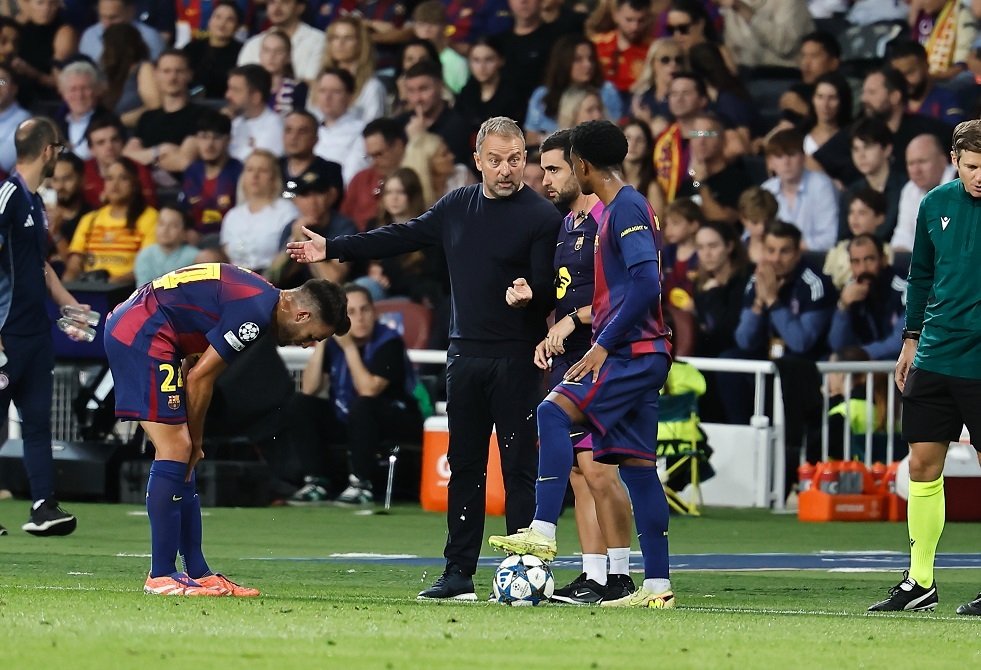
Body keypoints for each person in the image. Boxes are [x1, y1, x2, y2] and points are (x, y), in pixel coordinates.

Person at [287, 116, 562, 601]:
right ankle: (458, 574)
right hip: (464, 355)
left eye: (515, 159)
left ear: (527, 159)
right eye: (495, 160)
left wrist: (531, 296)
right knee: (465, 465)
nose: (506, 170)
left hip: (516, 358)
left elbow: (549, 290)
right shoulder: (457, 205)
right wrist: (333, 247)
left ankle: (525, 571)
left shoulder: (542, 217)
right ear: (477, 161)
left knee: (518, 466)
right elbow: (400, 235)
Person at [488, 119, 675, 609]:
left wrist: (603, 343)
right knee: (638, 469)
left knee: (552, 412)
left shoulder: (624, 208)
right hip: (641, 351)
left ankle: (542, 530)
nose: (555, 176)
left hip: (632, 352)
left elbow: (646, 284)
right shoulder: (618, 210)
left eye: (565, 166)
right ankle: (657, 586)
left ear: (583, 166)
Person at [104, 262, 349, 596]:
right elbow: (200, 379)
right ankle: (161, 575)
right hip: (142, 332)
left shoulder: (260, 297)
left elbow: (193, 347)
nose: (307, 345)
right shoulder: (256, 314)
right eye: (312, 337)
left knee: (182, 454)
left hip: (150, 327)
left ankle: (198, 572)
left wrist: (193, 442)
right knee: (177, 449)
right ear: (302, 315)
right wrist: (196, 441)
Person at [868, 119, 981, 616]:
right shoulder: (935, 204)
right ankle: (921, 582)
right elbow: (920, 276)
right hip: (935, 353)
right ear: (955, 161)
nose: (980, 175)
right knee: (921, 465)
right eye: (972, 166)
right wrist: (910, 340)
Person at [534, 128, 636, 604]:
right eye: (544, 170)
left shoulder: (608, 219)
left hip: (604, 356)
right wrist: (550, 331)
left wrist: (573, 320)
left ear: (580, 166)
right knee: (579, 473)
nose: (547, 180)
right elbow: (569, 294)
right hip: (571, 358)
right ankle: (593, 575)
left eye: (555, 169)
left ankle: (621, 575)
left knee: (599, 470)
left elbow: (625, 297)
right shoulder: (568, 224)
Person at [0, 117, 84, 537]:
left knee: (36, 422)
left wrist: (69, 305)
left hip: (34, 333)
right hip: (6, 332)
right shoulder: (8, 197)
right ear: (48, 150)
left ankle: (43, 507)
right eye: (59, 149)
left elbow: (39, 265)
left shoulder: (35, 202)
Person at [285, 283, 423, 505]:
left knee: (363, 406)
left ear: (374, 312)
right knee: (301, 404)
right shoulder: (334, 343)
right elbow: (309, 389)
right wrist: (322, 341)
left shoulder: (389, 342)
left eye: (364, 310)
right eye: (351, 312)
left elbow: (369, 390)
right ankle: (316, 482)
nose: (359, 318)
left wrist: (349, 348)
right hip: (351, 418)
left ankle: (361, 484)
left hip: (394, 419)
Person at [63, 158, 158, 285]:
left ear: (134, 184)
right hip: (90, 287)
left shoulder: (150, 217)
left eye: (123, 178)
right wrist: (68, 281)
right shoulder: (90, 219)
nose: (115, 184)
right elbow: (75, 261)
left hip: (127, 290)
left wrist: (113, 283)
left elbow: (148, 265)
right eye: (109, 178)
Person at [828, 233, 905, 361]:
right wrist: (843, 307)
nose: (863, 268)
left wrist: (857, 355)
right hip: (865, 363)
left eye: (869, 259)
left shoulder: (904, 288)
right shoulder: (851, 291)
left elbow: (901, 342)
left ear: (884, 259)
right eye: (856, 262)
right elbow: (837, 345)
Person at [761, 128, 839, 251]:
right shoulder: (766, 189)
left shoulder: (822, 186)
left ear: (803, 158)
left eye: (791, 154)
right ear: (770, 163)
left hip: (815, 259)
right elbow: (750, 235)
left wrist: (790, 249)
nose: (786, 162)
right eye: (779, 156)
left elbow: (830, 238)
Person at [220, 150, 297, 272]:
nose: (255, 176)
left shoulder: (286, 211)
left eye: (262, 170)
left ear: (274, 177)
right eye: (250, 170)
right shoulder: (232, 216)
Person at [180, 110, 243, 243]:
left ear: (228, 140)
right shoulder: (192, 171)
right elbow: (183, 210)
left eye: (216, 138)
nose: (209, 144)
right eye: (204, 137)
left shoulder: (239, 172)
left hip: (227, 239)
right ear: (197, 140)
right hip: (192, 240)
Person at [891, 133, 958, 251]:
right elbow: (903, 236)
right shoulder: (910, 189)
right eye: (911, 163)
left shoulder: (962, 182)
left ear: (943, 160)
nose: (916, 170)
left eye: (922, 161)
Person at [340, 118, 407, 231]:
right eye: (370, 156)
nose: (374, 162)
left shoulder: (416, 177)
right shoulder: (360, 179)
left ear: (398, 145)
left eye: (379, 154)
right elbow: (343, 221)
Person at [236, 0, 325, 84]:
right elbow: (242, 82)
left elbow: (312, 82)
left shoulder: (318, 40)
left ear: (300, 8)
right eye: (272, 2)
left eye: (285, 2)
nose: (277, 8)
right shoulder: (253, 43)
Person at [182, 0, 243, 99]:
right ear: (209, 21)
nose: (222, 24)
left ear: (237, 26)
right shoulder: (191, 48)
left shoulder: (242, 52)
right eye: (218, 17)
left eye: (230, 20)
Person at [225, 64, 285, 163]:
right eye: (229, 89)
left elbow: (260, 166)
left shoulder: (274, 127)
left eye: (235, 90)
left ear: (255, 97)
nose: (228, 95)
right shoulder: (234, 121)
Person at [133, 203, 200, 286]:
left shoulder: (195, 257)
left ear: (184, 233)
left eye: (174, 226)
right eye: (161, 224)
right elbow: (142, 289)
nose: (165, 229)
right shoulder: (145, 255)